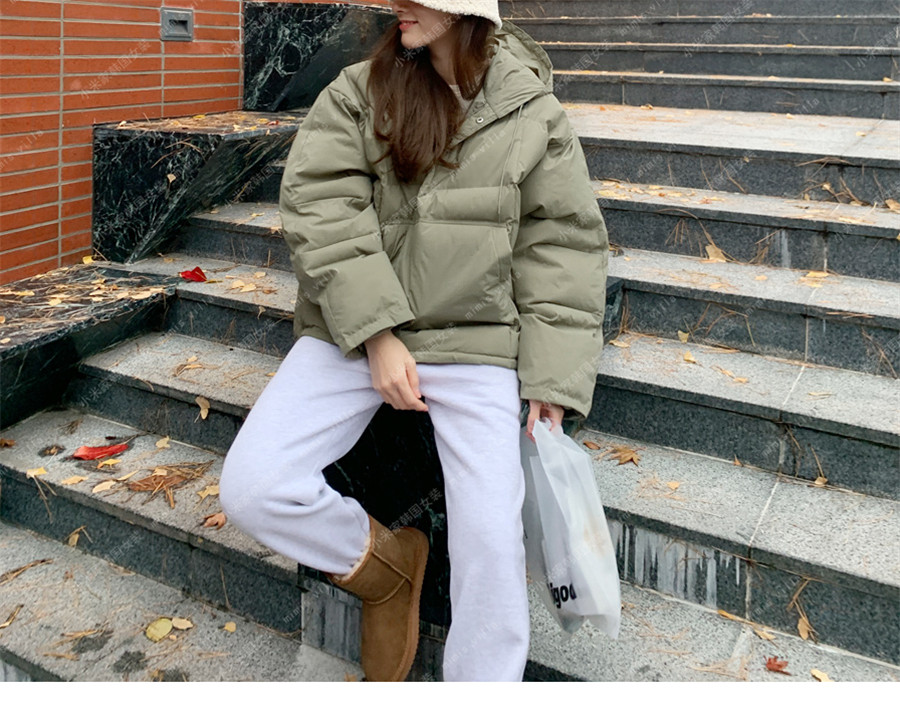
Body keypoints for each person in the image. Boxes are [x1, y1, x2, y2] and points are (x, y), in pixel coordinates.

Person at [219, 0, 610, 682]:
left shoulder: (533, 110)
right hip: (355, 330)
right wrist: (377, 333)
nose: (397, 6)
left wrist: (553, 377)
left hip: (476, 338)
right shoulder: (362, 89)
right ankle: (387, 566)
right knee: (253, 487)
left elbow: (561, 243)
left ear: (467, 10)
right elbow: (321, 204)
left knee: (492, 540)